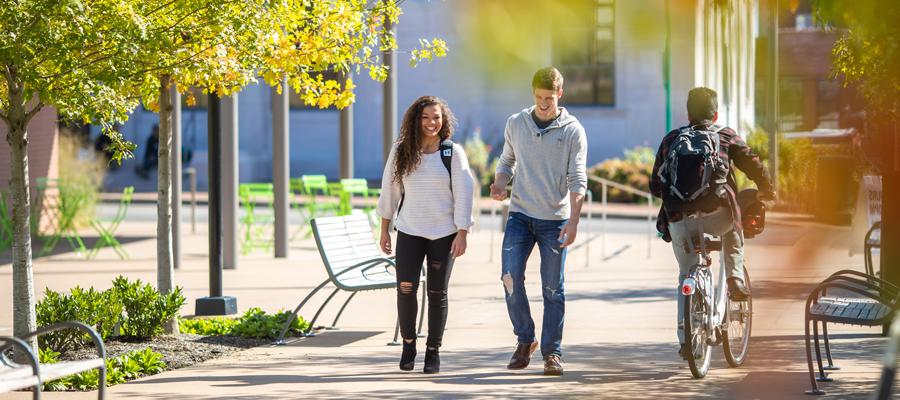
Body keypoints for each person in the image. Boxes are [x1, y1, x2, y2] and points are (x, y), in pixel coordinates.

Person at [649, 87, 774, 359]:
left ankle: (685, 339)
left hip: (679, 219)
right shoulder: (726, 136)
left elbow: (655, 185)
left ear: (688, 114)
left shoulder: (672, 139)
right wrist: (767, 188)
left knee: (686, 273)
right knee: (734, 223)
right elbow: (754, 164)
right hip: (718, 216)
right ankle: (735, 278)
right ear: (716, 113)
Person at [490, 67, 588, 376]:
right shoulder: (516, 123)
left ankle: (552, 352)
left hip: (554, 221)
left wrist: (573, 222)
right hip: (519, 215)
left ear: (560, 94)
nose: (543, 104)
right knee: (509, 278)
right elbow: (507, 161)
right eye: (538, 98)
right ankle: (525, 340)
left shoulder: (573, 130)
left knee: (552, 289)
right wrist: (500, 182)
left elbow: (577, 179)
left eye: (549, 98)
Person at [376, 95, 475, 374]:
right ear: (416, 120)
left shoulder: (452, 153)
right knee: (406, 290)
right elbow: (390, 191)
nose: (432, 123)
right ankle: (409, 345)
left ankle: (433, 351)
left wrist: (462, 232)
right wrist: (385, 229)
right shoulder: (401, 151)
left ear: (444, 121)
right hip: (409, 230)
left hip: (444, 234)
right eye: (426, 117)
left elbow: (464, 195)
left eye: (437, 118)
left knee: (437, 293)